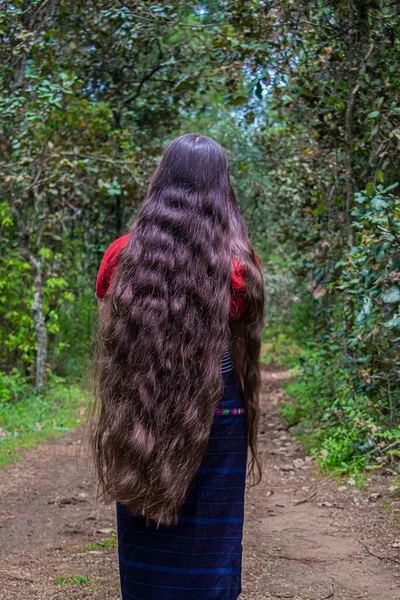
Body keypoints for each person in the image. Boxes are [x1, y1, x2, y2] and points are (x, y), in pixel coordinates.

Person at [92, 133, 265, 600]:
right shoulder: (238, 264)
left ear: (161, 180)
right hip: (218, 411)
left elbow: (115, 340)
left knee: (145, 530)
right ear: (220, 188)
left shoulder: (122, 255)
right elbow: (243, 349)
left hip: (141, 410)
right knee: (210, 543)